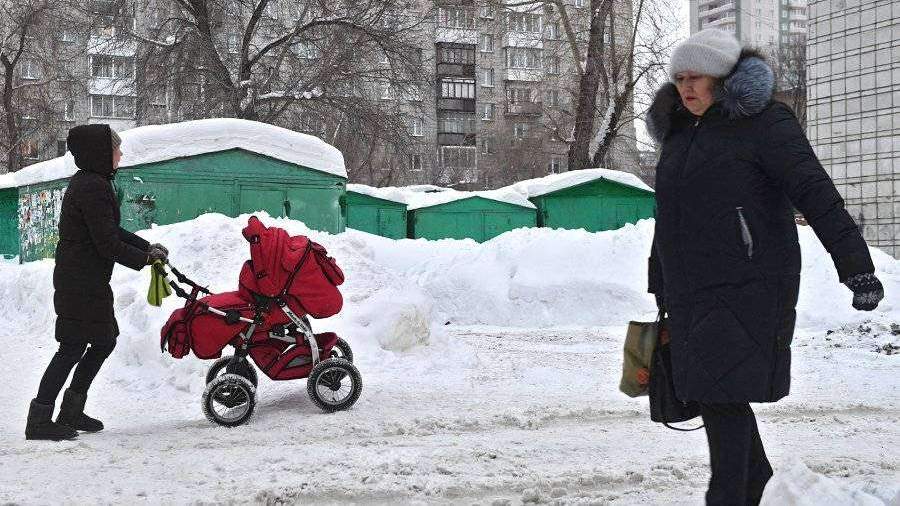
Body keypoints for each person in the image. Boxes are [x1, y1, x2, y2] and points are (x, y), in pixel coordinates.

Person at [645, 29, 884, 505]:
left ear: (722, 78)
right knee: (716, 395)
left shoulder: (764, 123)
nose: (686, 87)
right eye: (680, 78)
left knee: (721, 396)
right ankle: (762, 487)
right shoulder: (680, 132)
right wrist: (660, 282)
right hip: (690, 291)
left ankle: (729, 496)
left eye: (697, 77)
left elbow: (815, 191)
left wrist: (856, 267)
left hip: (749, 285)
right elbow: (669, 214)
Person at [26, 124, 169, 441]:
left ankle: (70, 411)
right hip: (80, 283)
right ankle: (39, 420)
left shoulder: (92, 182)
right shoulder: (92, 186)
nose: (120, 155)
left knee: (102, 341)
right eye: (116, 149)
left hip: (85, 281)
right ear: (102, 153)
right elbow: (107, 243)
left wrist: (147, 247)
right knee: (72, 347)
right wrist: (145, 259)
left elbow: (109, 230)